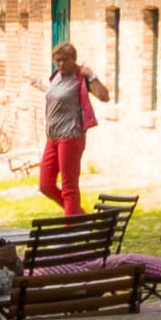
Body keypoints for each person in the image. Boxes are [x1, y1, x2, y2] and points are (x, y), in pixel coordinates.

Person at [37, 40, 107, 215]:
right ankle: (79, 216)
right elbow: (58, 96)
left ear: (73, 60)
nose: (60, 64)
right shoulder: (57, 76)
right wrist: (40, 86)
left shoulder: (80, 77)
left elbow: (105, 96)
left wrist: (92, 75)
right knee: (45, 185)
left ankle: (71, 231)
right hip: (53, 138)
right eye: (57, 60)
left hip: (71, 136)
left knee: (69, 187)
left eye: (65, 60)